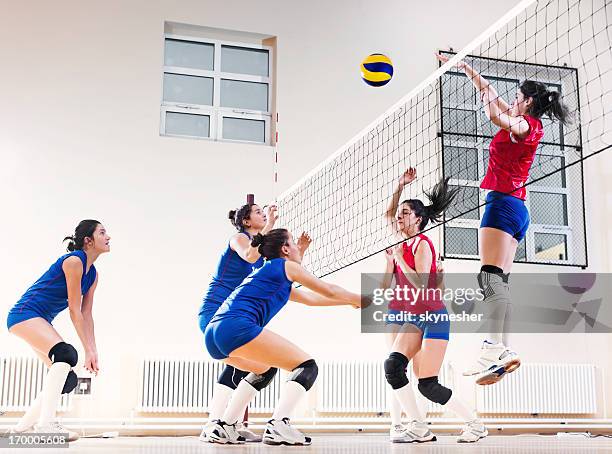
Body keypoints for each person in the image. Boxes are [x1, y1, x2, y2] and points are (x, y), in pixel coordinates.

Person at [436, 53, 571, 385]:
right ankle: (502, 350)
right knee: (498, 281)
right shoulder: (528, 122)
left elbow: (501, 117)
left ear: (526, 102)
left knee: (489, 277)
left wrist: (495, 107)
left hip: (502, 204)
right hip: (517, 208)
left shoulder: (525, 125)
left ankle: (492, 347)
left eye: (517, 97)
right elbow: (491, 100)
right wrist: (465, 68)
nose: (513, 101)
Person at [204, 228, 361, 445]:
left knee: (264, 369)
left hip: (214, 334)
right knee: (307, 366)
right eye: (294, 244)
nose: (299, 248)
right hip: (235, 327)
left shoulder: (267, 272)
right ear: (285, 249)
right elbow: (329, 290)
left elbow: (311, 299)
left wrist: (350, 302)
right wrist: (364, 299)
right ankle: (279, 424)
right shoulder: (285, 266)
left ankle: (226, 426)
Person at [382, 169, 487, 443]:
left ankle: (475, 424)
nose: (400, 216)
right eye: (401, 212)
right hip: (414, 317)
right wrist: (399, 186)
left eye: (406, 213)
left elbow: (420, 285)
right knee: (393, 367)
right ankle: (418, 426)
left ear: (418, 219)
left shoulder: (423, 244)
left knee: (427, 384)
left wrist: (398, 260)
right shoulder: (402, 240)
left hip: (433, 317)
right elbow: (386, 215)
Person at [6, 220, 110, 442]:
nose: (108, 237)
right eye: (102, 233)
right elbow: (74, 311)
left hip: (40, 319)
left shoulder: (93, 275)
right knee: (66, 354)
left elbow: (87, 314)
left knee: (67, 379)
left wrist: (93, 350)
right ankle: (46, 425)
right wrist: (84, 349)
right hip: (25, 314)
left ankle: (21, 430)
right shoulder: (74, 262)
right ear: (88, 241)